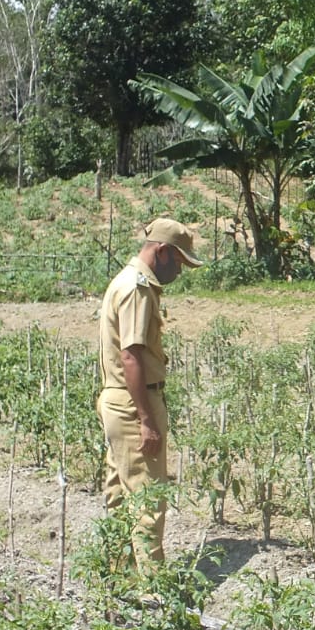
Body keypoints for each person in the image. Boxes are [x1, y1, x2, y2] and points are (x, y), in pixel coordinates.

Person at [97, 217, 201, 570]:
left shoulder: (126, 282)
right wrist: (146, 420)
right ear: (163, 251)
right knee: (147, 499)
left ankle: (118, 577)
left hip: (118, 398)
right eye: (180, 262)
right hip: (132, 404)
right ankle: (153, 592)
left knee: (120, 494)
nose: (181, 271)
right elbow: (131, 355)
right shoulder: (138, 289)